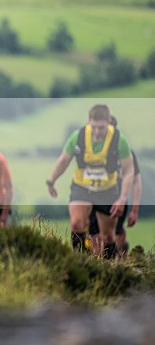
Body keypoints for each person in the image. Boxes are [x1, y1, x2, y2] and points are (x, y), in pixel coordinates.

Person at [46, 104, 134, 257]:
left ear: (108, 122)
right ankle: (81, 262)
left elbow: (129, 170)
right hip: (82, 187)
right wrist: (51, 180)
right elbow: (63, 160)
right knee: (76, 223)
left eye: (101, 127)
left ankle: (110, 268)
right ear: (88, 122)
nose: (97, 131)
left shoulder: (119, 140)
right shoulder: (78, 136)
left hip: (107, 191)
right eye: (94, 127)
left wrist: (122, 198)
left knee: (107, 236)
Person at [87, 116, 142, 258]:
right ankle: (101, 268)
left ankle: (116, 265)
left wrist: (134, 210)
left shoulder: (126, 153)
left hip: (117, 200)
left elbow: (136, 181)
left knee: (113, 237)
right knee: (95, 238)